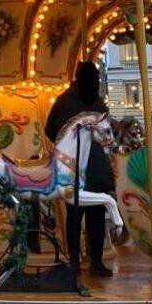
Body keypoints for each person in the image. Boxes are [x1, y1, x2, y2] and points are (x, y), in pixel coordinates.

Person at [45, 61, 114, 278]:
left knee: (74, 216)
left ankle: (74, 261)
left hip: (72, 168)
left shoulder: (63, 101)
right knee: (97, 216)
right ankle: (96, 262)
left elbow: (50, 130)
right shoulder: (99, 103)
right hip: (97, 168)